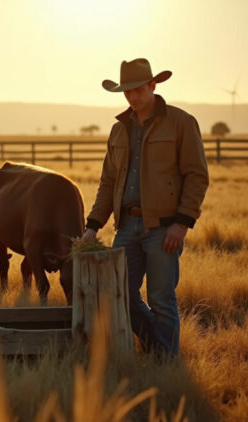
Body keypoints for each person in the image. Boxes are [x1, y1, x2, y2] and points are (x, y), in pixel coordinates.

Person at [81, 58, 209, 357]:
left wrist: (181, 223)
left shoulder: (181, 122)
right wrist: (92, 225)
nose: (133, 97)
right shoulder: (118, 130)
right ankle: (160, 352)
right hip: (126, 227)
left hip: (164, 227)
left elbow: (197, 176)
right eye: (126, 92)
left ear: (153, 85)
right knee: (120, 293)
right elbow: (108, 181)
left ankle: (164, 365)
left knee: (161, 299)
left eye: (138, 90)